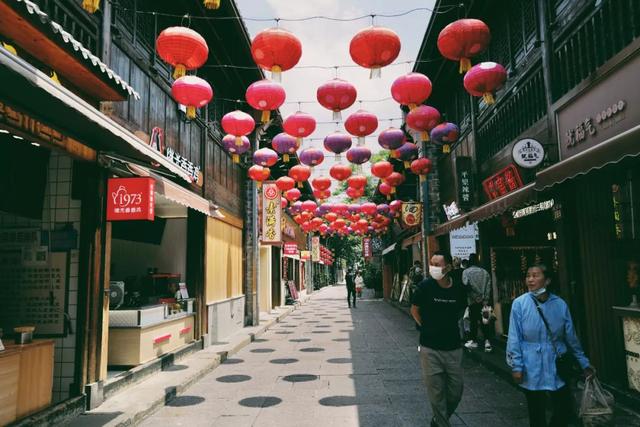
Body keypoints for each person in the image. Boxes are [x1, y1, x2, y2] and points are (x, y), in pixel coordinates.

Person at [507, 264, 595, 427]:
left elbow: (571, 337)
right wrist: (516, 366)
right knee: (536, 412)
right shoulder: (520, 304)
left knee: (564, 409)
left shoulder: (560, 304)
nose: (530, 279)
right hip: (531, 363)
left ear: (547, 280)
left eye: (535, 275)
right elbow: (514, 337)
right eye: (528, 276)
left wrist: (583, 362)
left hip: (556, 361)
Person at [411, 251, 467, 427]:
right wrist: (426, 327)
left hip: (453, 347)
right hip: (430, 348)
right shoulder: (425, 287)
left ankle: (438, 419)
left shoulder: (458, 288)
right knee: (436, 394)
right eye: (432, 263)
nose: (433, 267)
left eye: (438, 264)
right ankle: (442, 424)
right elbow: (414, 309)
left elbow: (460, 311)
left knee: (455, 391)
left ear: (448, 267)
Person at [462, 253, 493, 352]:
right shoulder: (485, 272)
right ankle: (487, 342)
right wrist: (485, 299)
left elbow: (466, 286)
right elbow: (488, 287)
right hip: (484, 302)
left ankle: (474, 341)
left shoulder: (466, 272)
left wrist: (475, 297)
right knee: (485, 321)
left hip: (472, 301)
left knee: (474, 321)